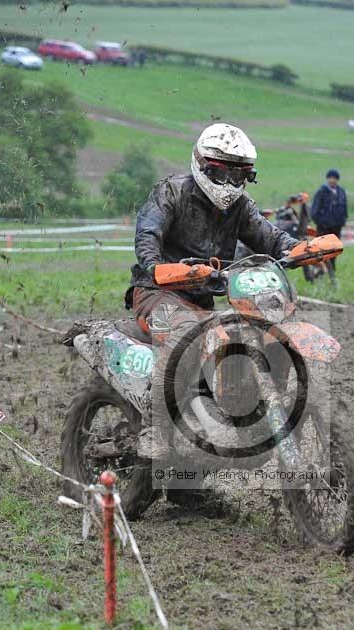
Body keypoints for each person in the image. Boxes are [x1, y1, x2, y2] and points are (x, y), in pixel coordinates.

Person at [129, 123, 300, 459]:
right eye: (222, 174)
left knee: (251, 333)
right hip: (158, 291)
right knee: (182, 335)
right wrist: (155, 266)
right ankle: (156, 429)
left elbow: (270, 237)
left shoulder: (240, 207)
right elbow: (147, 233)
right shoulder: (172, 192)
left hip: (203, 298)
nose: (230, 185)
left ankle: (236, 421)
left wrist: (300, 249)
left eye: (239, 177)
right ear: (203, 166)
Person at [310, 169, 347, 281]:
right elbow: (314, 212)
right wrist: (323, 223)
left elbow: (344, 209)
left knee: (334, 252)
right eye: (330, 178)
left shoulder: (341, 192)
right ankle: (318, 276)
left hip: (336, 229)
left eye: (334, 178)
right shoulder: (321, 192)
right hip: (323, 229)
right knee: (321, 254)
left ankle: (332, 276)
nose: (332, 180)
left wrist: (342, 221)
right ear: (327, 179)